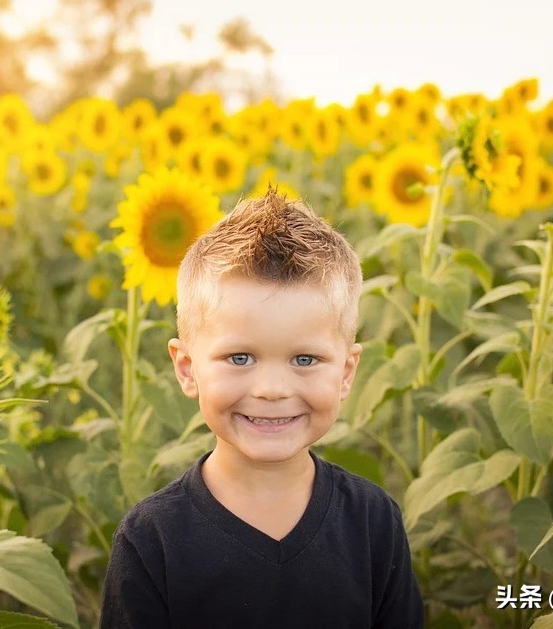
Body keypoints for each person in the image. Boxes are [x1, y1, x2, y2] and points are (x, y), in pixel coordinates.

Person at [100, 189, 424, 628]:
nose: (272, 389)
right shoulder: (152, 539)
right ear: (187, 368)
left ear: (346, 373)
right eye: (240, 358)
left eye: (304, 360)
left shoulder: (372, 524)